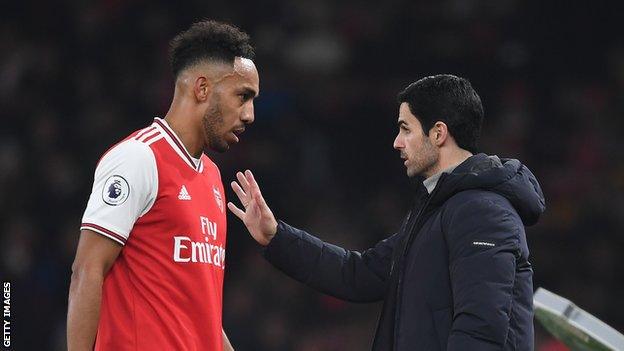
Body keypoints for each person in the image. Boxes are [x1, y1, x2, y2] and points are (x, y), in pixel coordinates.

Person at [228, 75, 545, 350]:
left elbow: (483, 325)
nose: (397, 142)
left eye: (406, 129)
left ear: (438, 133)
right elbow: (358, 275)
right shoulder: (439, 210)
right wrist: (276, 236)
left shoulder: (483, 211)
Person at [67, 20, 259, 351]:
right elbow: (86, 270)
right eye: (243, 96)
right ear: (202, 89)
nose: (249, 114)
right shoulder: (138, 158)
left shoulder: (212, 177)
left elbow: (203, 317)